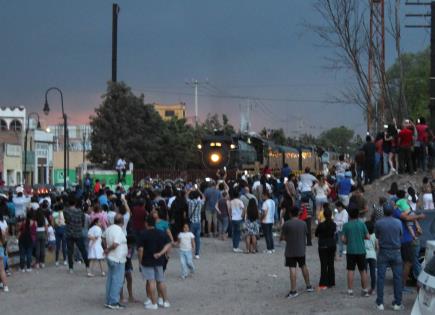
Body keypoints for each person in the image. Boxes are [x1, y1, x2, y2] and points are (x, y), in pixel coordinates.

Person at [138, 215, 172, 310]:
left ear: (146, 223)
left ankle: (154, 303)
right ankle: (165, 301)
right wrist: (161, 253)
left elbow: (140, 249)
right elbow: (169, 243)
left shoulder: (143, 234)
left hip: (147, 261)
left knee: (151, 281)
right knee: (161, 281)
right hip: (159, 260)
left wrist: (140, 262)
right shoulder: (161, 233)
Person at [374, 203, 404, 311]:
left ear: (383, 211)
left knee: (381, 278)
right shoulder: (398, 222)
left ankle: (380, 303)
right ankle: (397, 303)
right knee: (397, 278)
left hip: (383, 251)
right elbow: (400, 235)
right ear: (392, 211)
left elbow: (377, 236)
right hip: (396, 252)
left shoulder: (378, 223)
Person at [280, 206, 314, 299]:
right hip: (301, 249)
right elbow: (306, 234)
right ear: (298, 213)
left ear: (290, 213)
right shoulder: (303, 224)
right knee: (303, 266)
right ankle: (308, 286)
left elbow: (282, 237)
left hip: (290, 250)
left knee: (292, 269)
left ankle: (293, 290)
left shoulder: (287, 224)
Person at [342, 205, 370, 297]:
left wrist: (348, 241)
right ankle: (365, 290)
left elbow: (343, 240)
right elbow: (368, 237)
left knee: (350, 270)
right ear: (358, 215)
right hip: (361, 250)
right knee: (363, 271)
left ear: (349, 215)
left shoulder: (346, 225)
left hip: (350, 251)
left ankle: (350, 291)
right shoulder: (362, 224)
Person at [103, 214, 128, 310]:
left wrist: (105, 247)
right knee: (117, 281)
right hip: (118, 258)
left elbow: (103, 237)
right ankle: (113, 302)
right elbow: (116, 244)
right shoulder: (119, 230)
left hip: (111, 257)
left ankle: (108, 300)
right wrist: (107, 249)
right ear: (122, 222)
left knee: (111, 280)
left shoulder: (109, 228)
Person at [64, 194, 90, 275]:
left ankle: (71, 268)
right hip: (78, 232)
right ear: (75, 202)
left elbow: (66, 221)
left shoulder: (66, 211)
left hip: (69, 233)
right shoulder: (80, 212)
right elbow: (82, 221)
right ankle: (87, 266)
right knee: (83, 251)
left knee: (70, 251)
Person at [315, 207, 336, 289]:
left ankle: (323, 282)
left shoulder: (321, 225)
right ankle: (331, 282)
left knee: (323, 264)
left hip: (323, 245)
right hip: (331, 244)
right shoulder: (333, 224)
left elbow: (316, 234)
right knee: (331, 263)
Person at [187, 189, 204, 259]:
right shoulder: (200, 202)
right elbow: (204, 197)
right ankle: (197, 254)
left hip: (191, 223)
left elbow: (185, 196)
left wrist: (190, 190)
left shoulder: (190, 202)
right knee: (197, 239)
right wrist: (199, 191)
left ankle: (190, 252)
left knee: (190, 238)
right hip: (198, 222)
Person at [52, 200, 67, 266]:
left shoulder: (54, 213)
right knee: (64, 246)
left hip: (57, 229)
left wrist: (54, 228)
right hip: (63, 229)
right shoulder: (64, 213)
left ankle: (56, 261)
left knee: (57, 246)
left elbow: (52, 222)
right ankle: (64, 260)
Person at [364, 221, 377, 295]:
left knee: (364, 272)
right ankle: (372, 288)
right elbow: (377, 246)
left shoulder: (363, 235)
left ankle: (365, 287)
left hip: (365, 255)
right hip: (372, 255)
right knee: (373, 273)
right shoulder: (374, 235)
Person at [261, 189, 275, 253]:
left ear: (266, 195)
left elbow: (264, 213)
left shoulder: (265, 203)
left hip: (266, 220)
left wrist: (261, 218)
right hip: (271, 220)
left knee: (267, 235)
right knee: (270, 234)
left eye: (262, 195)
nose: (262, 197)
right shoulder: (272, 201)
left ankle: (268, 248)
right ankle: (272, 248)